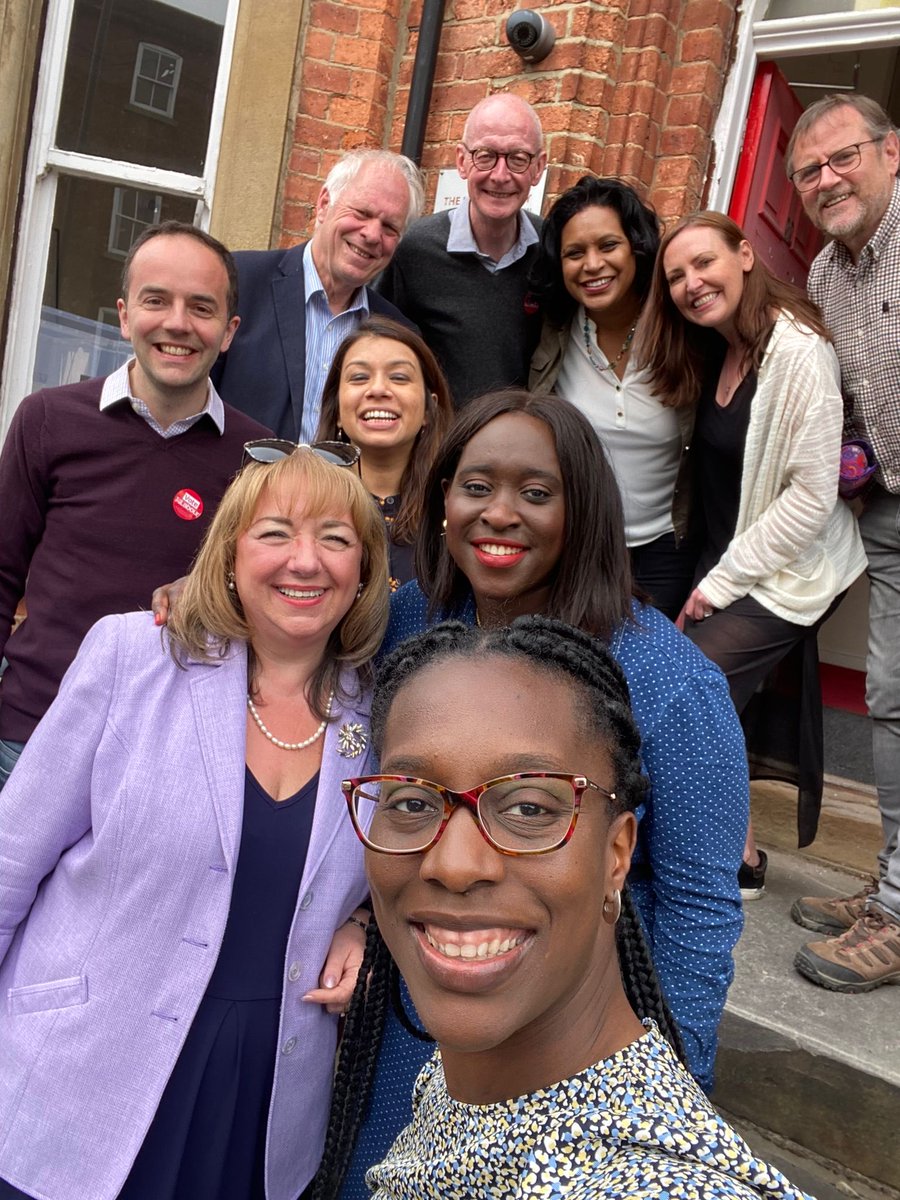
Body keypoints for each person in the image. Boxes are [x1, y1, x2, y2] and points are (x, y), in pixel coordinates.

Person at [332, 390, 749, 1197]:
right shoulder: (412, 620)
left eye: (536, 492)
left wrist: (670, 1084)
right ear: (442, 498)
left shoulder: (670, 684)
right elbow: (294, 637)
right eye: (476, 486)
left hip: (564, 1035)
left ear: (583, 509)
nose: (500, 513)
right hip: (413, 1013)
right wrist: (210, 600)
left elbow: (701, 904)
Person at [0, 445, 390, 1200]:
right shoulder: (133, 657)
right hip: (78, 1073)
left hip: (258, 1109)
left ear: (367, 571)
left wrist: (364, 923)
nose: (304, 562)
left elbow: (390, 870)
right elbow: (11, 857)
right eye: (275, 532)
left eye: (336, 540)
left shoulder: (386, 713)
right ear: (231, 552)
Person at [320, 617, 812, 1199]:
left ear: (617, 855)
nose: (453, 864)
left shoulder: (649, 1182)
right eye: (410, 800)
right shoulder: (462, 1080)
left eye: (529, 809)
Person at [641, 211, 867, 898]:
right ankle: (738, 856)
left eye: (704, 263)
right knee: (717, 700)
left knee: (694, 683)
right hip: (723, 552)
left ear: (745, 255)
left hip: (790, 567)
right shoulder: (716, 347)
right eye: (676, 275)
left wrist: (719, 583)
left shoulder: (798, 352)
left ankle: (698, 854)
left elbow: (809, 496)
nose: (691, 283)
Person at [0, 220, 269, 793]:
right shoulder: (47, 419)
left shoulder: (258, 459)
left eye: (201, 307)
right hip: (28, 736)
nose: (177, 323)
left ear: (228, 331)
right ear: (124, 315)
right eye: (156, 300)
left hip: (168, 758)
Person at [783, 94, 900, 990]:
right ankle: (895, 885)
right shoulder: (825, 274)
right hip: (889, 512)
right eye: (809, 172)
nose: (827, 181)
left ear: (890, 152)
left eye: (843, 159)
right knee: (893, 696)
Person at [529, 176, 695, 619]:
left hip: (664, 550)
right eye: (574, 253)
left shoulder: (685, 329)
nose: (592, 265)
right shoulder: (552, 333)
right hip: (575, 546)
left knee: (644, 676)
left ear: (636, 248)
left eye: (608, 246)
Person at [212, 149, 424, 440]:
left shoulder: (398, 333)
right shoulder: (240, 281)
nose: (373, 234)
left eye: (389, 227)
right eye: (362, 213)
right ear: (324, 204)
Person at [376, 94, 546, 407]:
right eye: (485, 156)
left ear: (538, 168)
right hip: (437, 445)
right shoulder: (415, 248)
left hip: (518, 446)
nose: (500, 175)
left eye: (518, 158)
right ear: (462, 161)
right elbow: (379, 343)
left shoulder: (550, 249)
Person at [316, 315, 454, 590]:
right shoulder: (301, 500)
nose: (378, 389)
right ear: (338, 411)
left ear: (429, 408)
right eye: (359, 377)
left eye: (399, 377)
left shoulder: (455, 506)